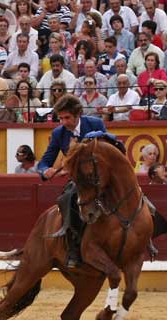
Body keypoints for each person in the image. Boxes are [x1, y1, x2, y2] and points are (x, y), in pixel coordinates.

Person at [37, 94, 108, 268]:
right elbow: (45, 160)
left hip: (101, 177)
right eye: (60, 118)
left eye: (67, 117)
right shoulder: (59, 133)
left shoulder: (95, 124)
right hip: (79, 182)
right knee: (67, 199)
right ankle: (74, 247)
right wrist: (45, 170)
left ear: (78, 115)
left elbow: (108, 149)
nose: (64, 122)